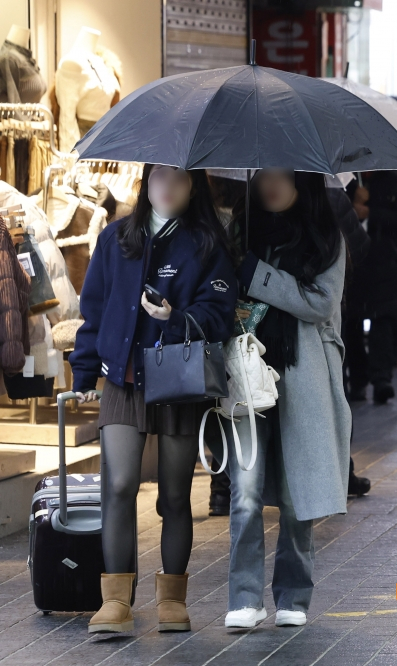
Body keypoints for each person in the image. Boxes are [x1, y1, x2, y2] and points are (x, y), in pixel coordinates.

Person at [70, 165, 237, 634]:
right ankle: (116, 602)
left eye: (179, 180)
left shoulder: (205, 242)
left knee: (175, 495)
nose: (167, 187)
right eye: (159, 177)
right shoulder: (117, 238)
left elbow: (220, 312)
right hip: (122, 380)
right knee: (118, 486)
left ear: (193, 187)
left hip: (178, 380)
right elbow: (95, 309)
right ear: (146, 182)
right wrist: (84, 369)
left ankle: (172, 600)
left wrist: (175, 317)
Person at [223, 169, 353, 629]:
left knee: (300, 491)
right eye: (264, 176)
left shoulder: (325, 239)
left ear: (306, 183)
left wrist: (257, 275)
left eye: (285, 176)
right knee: (246, 491)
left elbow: (319, 303)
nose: (272, 185)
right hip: (246, 372)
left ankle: (293, 595)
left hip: (304, 374)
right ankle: (244, 597)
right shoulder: (237, 231)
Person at [343, 172, 397, 404]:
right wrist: (352, 200)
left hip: (383, 260)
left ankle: (382, 379)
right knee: (352, 323)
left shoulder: (391, 180)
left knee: (383, 319)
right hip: (353, 262)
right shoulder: (346, 181)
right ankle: (358, 380)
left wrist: (371, 211)